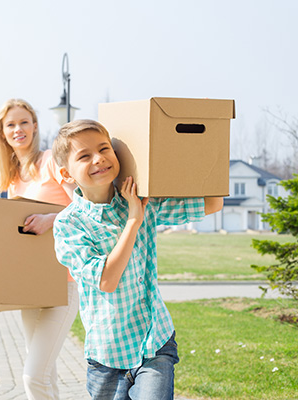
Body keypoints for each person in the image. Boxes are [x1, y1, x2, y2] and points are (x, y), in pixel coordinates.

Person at [51, 119, 224, 400]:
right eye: (84, 156)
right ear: (66, 173)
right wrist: (133, 221)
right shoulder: (69, 225)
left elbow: (213, 203)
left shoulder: (144, 200)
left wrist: (208, 143)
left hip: (155, 342)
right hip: (108, 356)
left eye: (104, 148)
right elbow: (107, 280)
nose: (99, 158)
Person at [0, 99, 79, 400]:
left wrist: (50, 219)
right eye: (10, 125)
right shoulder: (13, 180)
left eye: (24, 122)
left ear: (35, 126)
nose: (17, 129)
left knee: (33, 377)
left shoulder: (52, 161)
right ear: (3, 133)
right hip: (30, 288)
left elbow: (85, 208)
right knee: (45, 374)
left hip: (64, 284)